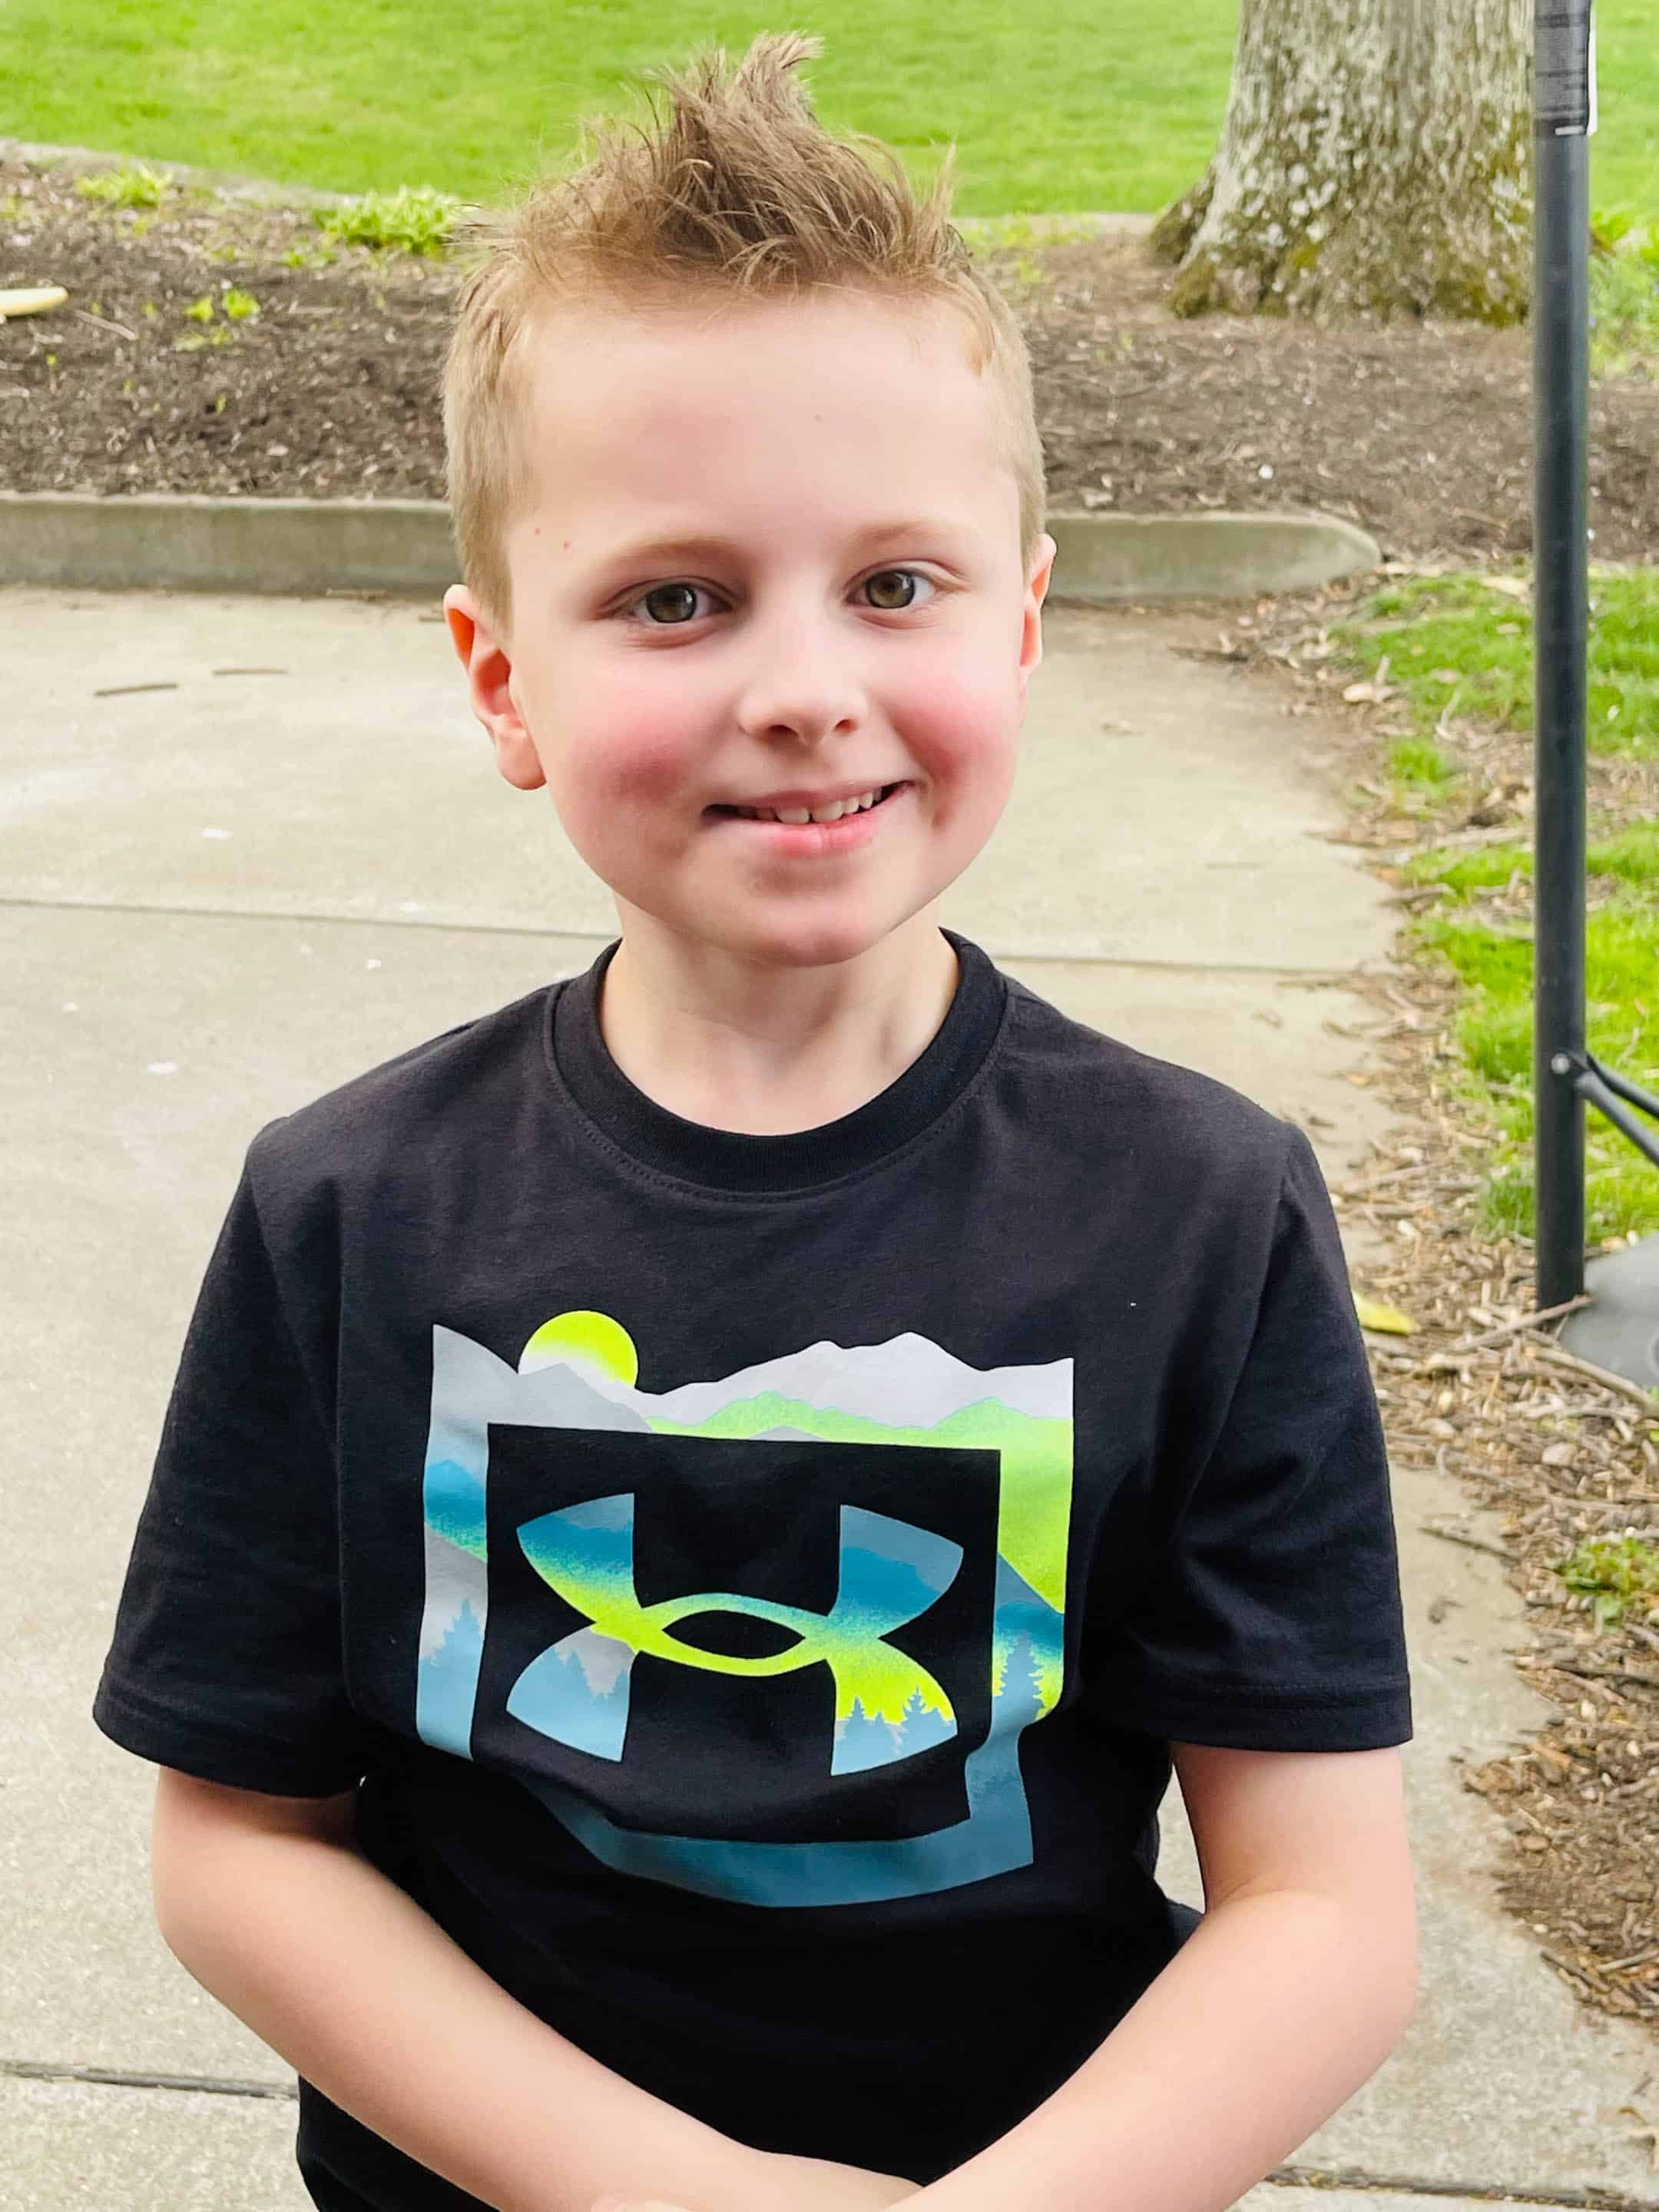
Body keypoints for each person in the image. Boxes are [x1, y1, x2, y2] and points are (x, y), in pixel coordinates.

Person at [94, 31, 1416, 2212]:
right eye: (676, 598)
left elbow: (1326, 1905)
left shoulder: (1199, 1208)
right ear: (504, 680)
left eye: (894, 583)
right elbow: (243, 1844)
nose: (803, 689)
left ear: (1026, 620)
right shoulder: (353, 1205)